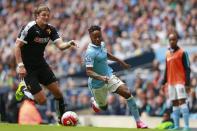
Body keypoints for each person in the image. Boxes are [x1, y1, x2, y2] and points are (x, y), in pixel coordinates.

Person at [14, 4, 77, 124]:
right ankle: (23, 89)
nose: (46, 17)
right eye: (43, 15)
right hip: (28, 69)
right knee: (42, 101)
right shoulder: (29, 27)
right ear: (37, 16)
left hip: (41, 65)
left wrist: (69, 43)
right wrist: (20, 65)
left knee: (58, 93)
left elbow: (60, 46)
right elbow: (17, 46)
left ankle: (61, 120)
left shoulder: (50, 29)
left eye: (48, 15)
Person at [85, 25, 148, 129]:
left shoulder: (102, 44)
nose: (97, 39)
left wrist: (119, 61)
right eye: (95, 37)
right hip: (97, 83)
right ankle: (95, 102)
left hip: (109, 76)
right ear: (90, 37)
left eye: (99, 36)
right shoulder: (90, 53)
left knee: (127, 93)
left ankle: (138, 122)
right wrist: (101, 78)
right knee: (104, 107)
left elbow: (106, 54)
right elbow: (89, 72)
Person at [162, 31, 191, 131]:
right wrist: (163, 82)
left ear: (177, 40)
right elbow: (166, 69)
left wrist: (187, 84)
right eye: (170, 39)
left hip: (180, 82)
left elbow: (187, 68)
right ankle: (177, 126)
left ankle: (187, 126)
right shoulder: (167, 54)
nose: (171, 41)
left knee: (182, 102)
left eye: (173, 39)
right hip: (170, 82)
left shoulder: (183, 52)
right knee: (174, 103)